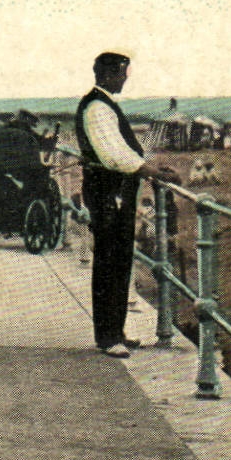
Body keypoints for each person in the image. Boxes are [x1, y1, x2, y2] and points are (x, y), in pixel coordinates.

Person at [74, 51, 178, 358]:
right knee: (109, 261)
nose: (125, 78)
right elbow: (114, 155)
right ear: (107, 75)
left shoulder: (102, 104)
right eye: (122, 72)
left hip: (114, 191)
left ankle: (115, 330)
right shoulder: (97, 107)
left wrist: (149, 167)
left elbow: (123, 150)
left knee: (119, 259)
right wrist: (153, 172)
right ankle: (108, 336)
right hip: (109, 192)